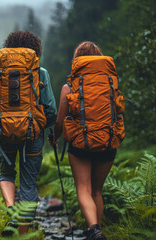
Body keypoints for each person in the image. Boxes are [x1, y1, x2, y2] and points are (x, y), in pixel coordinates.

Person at [0, 30, 57, 236]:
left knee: (6, 174)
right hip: (33, 134)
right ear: (36, 50)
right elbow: (51, 109)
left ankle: (11, 211)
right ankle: (24, 234)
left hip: (4, 133)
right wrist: (43, 128)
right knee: (28, 184)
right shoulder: (41, 73)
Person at [48, 41, 123, 240]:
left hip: (80, 144)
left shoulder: (69, 86)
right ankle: (96, 232)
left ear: (77, 61)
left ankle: (94, 230)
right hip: (107, 142)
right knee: (97, 191)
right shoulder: (111, 83)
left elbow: (60, 121)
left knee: (84, 189)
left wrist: (54, 138)